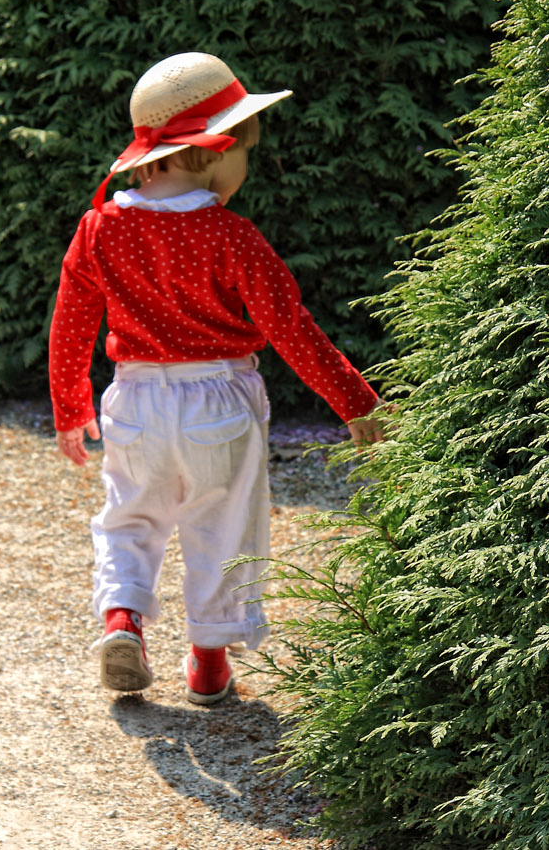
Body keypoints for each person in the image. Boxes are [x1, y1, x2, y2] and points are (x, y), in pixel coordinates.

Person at [48, 52, 389, 705]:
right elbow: (290, 326)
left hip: (137, 399)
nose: (246, 172)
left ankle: (122, 621)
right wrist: (354, 399)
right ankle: (208, 662)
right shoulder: (232, 236)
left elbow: (72, 319)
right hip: (220, 400)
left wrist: (70, 406)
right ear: (216, 150)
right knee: (224, 525)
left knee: (129, 518)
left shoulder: (100, 229)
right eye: (245, 156)